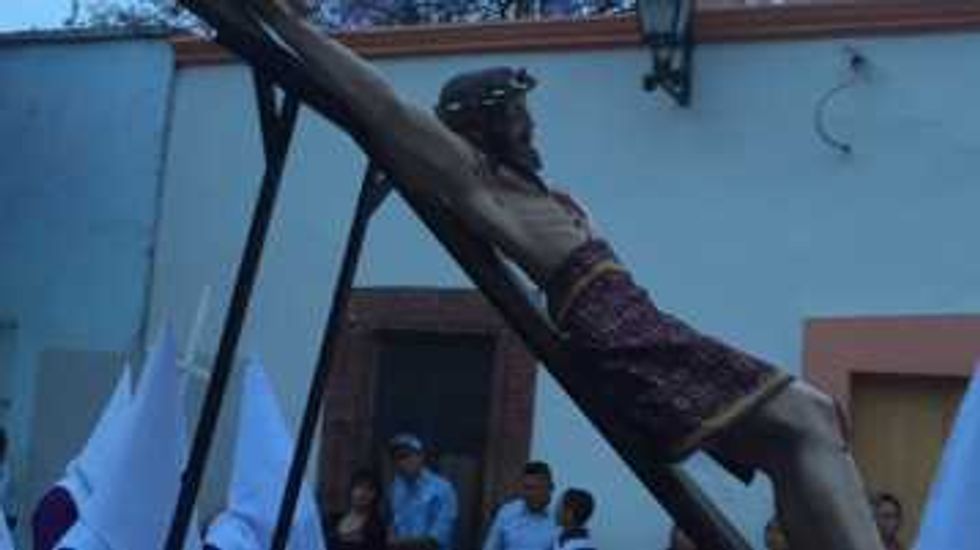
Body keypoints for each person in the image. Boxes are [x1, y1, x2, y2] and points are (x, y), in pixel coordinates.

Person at [234, 2, 884, 548]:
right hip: (619, 335)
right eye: (516, 115)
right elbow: (384, 107)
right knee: (811, 414)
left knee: (792, 445)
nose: (531, 124)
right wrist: (282, 19)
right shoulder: (481, 183)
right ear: (484, 128)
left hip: (640, 323)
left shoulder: (544, 195)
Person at [386, 434, 457, 550]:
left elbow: (436, 539)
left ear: (420, 456)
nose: (401, 462)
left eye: (406, 456)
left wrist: (396, 543)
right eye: (396, 458)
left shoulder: (443, 489)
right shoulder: (396, 487)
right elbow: (394, 523)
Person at [482, 461, 557, 550]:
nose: (532, 494)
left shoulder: (558, 519)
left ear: (551, 488)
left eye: (538, 488)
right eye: (527, 488)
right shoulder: (507, 513)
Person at [329, 469, 387, 550]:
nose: (363, 493)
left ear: (376, 495)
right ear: (351, 490)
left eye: (369, 489)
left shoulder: (376, 528)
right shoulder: (334, 520)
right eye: (359, 487)